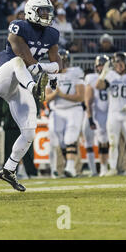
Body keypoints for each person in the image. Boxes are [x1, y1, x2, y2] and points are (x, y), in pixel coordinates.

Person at [0, 0, 63, 191]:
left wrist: (49, 70)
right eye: (43, 11)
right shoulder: (18, 27)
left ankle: (9, 169)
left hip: (21, 86)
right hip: (4, 79)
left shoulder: (52, 34)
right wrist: (45, 71)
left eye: (49, 11)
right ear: (31, 11)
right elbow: (22, 53)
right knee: (18, 62)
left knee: (30, 131)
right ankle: (34, 88)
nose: (47, 15)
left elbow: (58, 62)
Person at [96, 52, 126, 176]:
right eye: (117, 63)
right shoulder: (110, 75)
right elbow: (98, 86)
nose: (119, 65)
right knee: (113, 143)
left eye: (121, 62)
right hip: (113, 113)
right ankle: (113, 168)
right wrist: (104, 73)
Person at [45, 49, 85, 178]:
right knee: (59, 141)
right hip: (57, 111)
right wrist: (56, 94)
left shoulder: (75, 73)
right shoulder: (50, 75)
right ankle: (66, 166)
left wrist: (62, 95)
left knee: (70, 138)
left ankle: (71, 167)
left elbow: (80, 97)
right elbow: (46, 98)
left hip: (73, 109)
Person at [83, 55, 110, 176]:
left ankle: (104, 168)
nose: (101, 67)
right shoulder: (91, 77)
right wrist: (90, 118)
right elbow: (88, 100)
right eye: (99, 65)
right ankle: (93, 170)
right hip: (93, 112)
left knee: (104, 141)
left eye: (103, 65)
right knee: (88, 142)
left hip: (106, 113)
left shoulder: (112, 76)